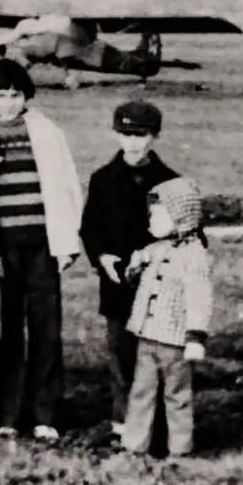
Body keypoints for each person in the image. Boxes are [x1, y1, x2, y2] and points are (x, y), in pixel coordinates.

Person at [0, 57, 83, 442]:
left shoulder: (46, 132)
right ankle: (8, 413)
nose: (9, 103)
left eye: (16, 95)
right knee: (8, 331)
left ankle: (45, 414)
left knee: (46, 328)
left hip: (41, 244)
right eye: (1, 96)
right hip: (4, 247)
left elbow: (65, 184)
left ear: (26, 96)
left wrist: (67, 241)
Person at [78, 99, 181, 438]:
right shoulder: (103, 179)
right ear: (115, 134)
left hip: (158, 287)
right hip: (118, 285)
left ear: (155, 136)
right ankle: (123, 425)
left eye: (141, 135)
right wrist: (102, 257)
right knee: (122, 356)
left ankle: (157, 425)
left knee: (157, 356)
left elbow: (188, 234)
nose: (133, 142)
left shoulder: (171, 182)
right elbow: (90, 227)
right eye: (126, 134)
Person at [121, 176, 212, 459]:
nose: (152, 221)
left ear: (181, 217)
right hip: (147, 336)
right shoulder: (155, 250)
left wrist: (195, 336)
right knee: (141, 391)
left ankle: (180, 449)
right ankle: (135, 445)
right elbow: (137, 284)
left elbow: (199, 298)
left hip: (175, 341)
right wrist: (134, 268)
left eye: (159, 215)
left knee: (177, 395)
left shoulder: (195, 257)